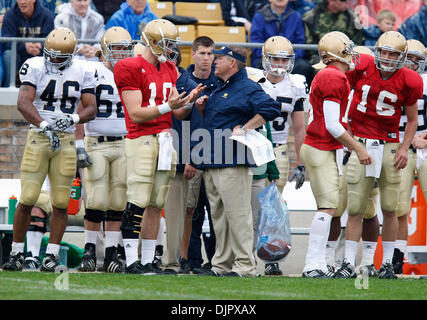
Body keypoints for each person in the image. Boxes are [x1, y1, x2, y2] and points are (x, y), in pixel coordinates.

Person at [1, 27, 97, 272]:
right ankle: (16, 253)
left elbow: (91, 108)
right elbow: (23, 102)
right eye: (50, 54)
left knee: (61, 202)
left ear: (71, 54)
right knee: (28, 198)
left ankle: (51, 255)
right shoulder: (34, 65)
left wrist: (74, 120)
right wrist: (44, 125)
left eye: (58, 56)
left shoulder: (83, 70)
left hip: (65, 138)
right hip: (39, 136)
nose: (52, 59)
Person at [113, 19, 205, 274]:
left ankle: (146, 260)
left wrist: (188, 104)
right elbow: (135, 113)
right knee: (138, 198)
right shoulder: (128, 66)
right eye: (166, 44)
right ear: (153, 42)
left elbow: (177, 116)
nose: (170, 49)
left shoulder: (170, 68)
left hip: (165, 140)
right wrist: (170, 106)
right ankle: (131, 259)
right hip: (141, 139)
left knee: (156, 202)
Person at [334, 31, 423, 279]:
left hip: (390, 145)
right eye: (383, 52)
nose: (386, 57)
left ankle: (385, 264)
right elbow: (342, 100)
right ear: (377, 51)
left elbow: (413, 120)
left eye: (392, 54)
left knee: (390, 207)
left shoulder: (410, 79)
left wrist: (405, 148)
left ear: (401, 56)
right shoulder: (360, 66)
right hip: (361, 144)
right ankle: (349, 264)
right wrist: (350, 138)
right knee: (355, 207)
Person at [193, 45, 281, 277]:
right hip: (212, 160)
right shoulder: (219, 86)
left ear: (232, 62)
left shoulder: (247, 87)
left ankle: (245, 265)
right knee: (219, 218)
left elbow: (272, 108)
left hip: (233, 161)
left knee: (239, 215)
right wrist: (202, 109)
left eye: (218, 57)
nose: (213, 61)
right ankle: (221, 264)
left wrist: (246, 126)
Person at [301, 31, 371, 278]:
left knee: (327, 207)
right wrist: (358, 147)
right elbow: (332, 124)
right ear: (338, 52)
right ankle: (312, 265)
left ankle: (319, 263)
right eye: (348, 49)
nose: (352, 54)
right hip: (320, 145)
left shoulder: (330, 74)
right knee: (327, 207)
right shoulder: (333, 76)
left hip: (322, 146)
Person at [76, 26, 135, 273]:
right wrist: (79, 145)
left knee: (119, 201)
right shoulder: (91, 71)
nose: (121, 53)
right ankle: (89, 251)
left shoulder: (133, 72)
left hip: (124, 142)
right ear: (105, 50)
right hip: (97, 141)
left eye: (125, 48)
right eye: (116, 48)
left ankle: (111, 254)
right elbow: (79, 110)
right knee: (97, 198)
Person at [322, 45, 381, 277]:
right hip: (342, 150)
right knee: (336, 206)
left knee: (366, 209)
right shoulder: (337, 82)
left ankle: (365, 261)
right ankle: (331, 259)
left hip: (367, 148)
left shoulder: (374, 90)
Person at [161, 46, 200, 275]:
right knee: (146, 206)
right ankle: (144, 256)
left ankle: (172, 261)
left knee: (176, 211)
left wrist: (190, 157)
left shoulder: (187, 85)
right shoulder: (147, 77)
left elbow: (193, 125)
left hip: (175, 153)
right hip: (150, 149)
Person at [186, 36, 219, 272]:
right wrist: (188, 157)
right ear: (193, 54)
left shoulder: (221, 83)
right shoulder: (182, 82)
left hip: (217, 155)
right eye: (202, 53)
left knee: (216, 211)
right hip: (192, 156)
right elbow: (179, 124)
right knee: (192, 212)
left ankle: (216, 261)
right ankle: (192, 260)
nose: (206, 58)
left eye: (210, 54)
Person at [394, 39, 427, 274]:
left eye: (417, 59)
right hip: (399, 147)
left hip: (424, 146)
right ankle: (396, 256)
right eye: (409, 58)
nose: (413, 63)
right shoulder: (391, 79)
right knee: (398, 206)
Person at [250, 0, 314, 87]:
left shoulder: (296, 16)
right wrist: (270, 57)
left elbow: (300, 42)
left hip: (289, 59)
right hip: (266, 58)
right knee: (258, 68)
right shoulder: (259, 16)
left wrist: (287, 58)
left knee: (303, 67)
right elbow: (255, 42)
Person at [1, 0, 54, 87]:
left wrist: (40, 46)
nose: (22, 2)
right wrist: (24, 46)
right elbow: (6, 42)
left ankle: (47, 89)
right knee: (8, 54)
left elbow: (51, 40)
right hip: (18, 55)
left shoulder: (46, 15)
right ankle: (9, 87)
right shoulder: (10, 15)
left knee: (51, 55)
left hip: (39, 54)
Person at [302, 0, 364, 67]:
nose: (347, 3)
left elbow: (357, 41)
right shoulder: (311, 17)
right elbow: (309, 43)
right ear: (331, 1)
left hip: (345, 56)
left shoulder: (353, 17)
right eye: (343, 1)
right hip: (318, 57)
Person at [22, 177, 51, 270]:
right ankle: (33, 256)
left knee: (94, 206)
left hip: (82, 198)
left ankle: (92, 257)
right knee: (36, 206)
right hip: (52, 197)